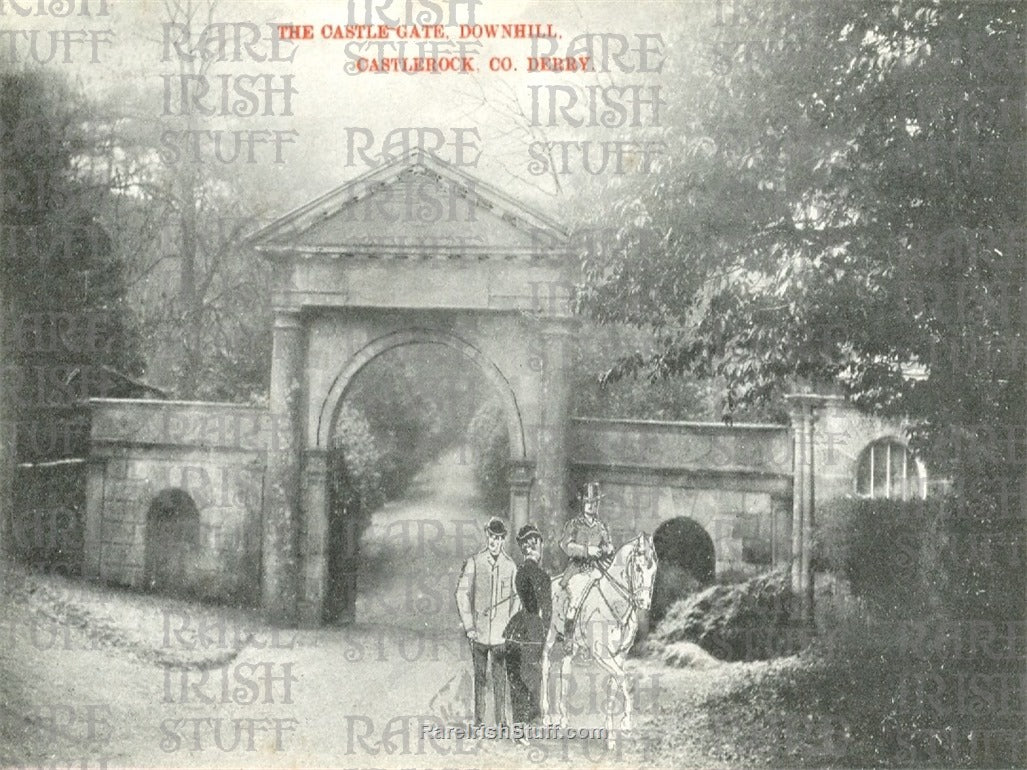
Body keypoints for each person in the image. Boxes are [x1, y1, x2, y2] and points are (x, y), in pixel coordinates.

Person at [455, 516, 519, 727]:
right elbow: (461, 594)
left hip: (501, 634)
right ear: (487, 536)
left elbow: (517, 598)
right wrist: (469, 625)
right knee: (480, 678)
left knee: (501, 680)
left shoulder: (510, 566)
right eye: (491, 536)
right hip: (479, 633)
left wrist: (510, 625)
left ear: (503, 541)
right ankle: (479, 721)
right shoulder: (475, 562)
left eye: (498, 538)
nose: (494, 541)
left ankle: (501, 722)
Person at [556, 482, 614, 651]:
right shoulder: (574, 524)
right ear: (583, 504)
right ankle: (568, 639)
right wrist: (587, 550)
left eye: (594, 503)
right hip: (577, 570)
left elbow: (608, 547)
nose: (591, 506)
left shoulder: (601, 527)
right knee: (576, 599)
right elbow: (565, 546)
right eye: (588, 502)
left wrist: (607, 549)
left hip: (596, 570)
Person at [504, 524, 551, 726]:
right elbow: (546, 610)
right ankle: (532, 720)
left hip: (515, 630)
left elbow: (525, 600)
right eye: (538, 544)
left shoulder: (520, 572)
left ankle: (518, 722)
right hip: (533, 630)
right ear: (536, 546)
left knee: (515, 678)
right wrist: (547, 632)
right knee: (533, 675)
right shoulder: (543, 576)